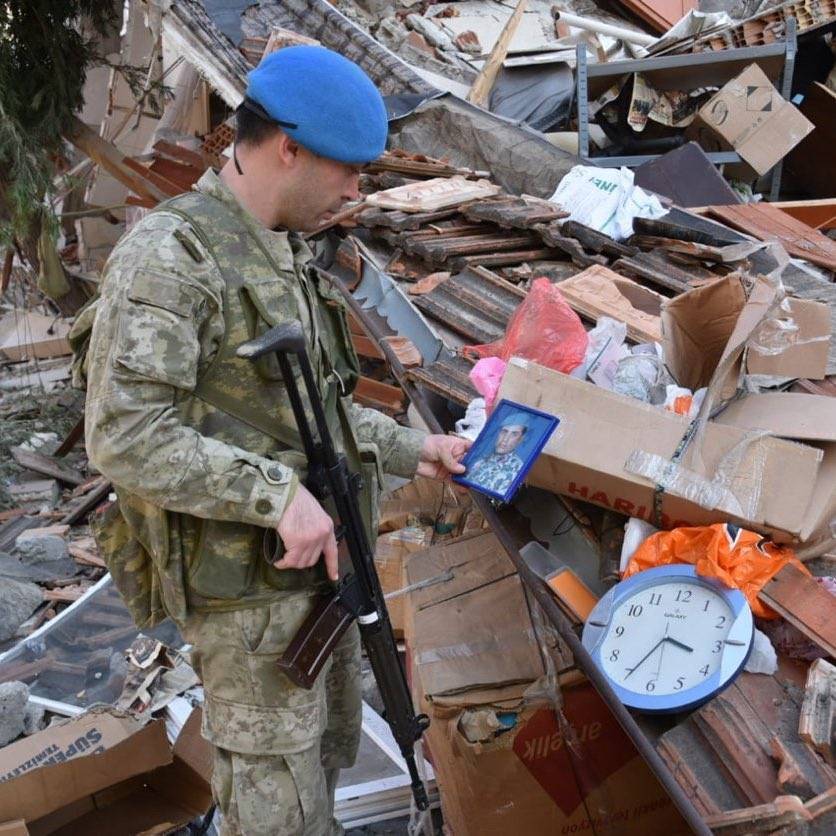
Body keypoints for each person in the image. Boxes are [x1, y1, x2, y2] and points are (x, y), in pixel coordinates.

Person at [81, 46, 469, 836]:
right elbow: (124, 436)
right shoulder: (171, 258)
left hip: (317, 586)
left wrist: (407, 450)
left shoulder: (281, 250)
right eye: (348, 171)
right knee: (278, 814)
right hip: (246, 602)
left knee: (321, 772)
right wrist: (274, 494)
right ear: (286, 146)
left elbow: (307, 420)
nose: (357, 193)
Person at [466, 412, 529, 496]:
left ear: (521, 439)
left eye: (514, 434)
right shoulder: (483, 460)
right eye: (504, 432)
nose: (505, 439)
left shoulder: (517, 469)